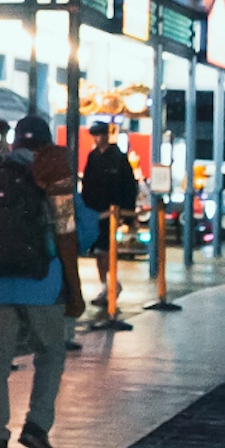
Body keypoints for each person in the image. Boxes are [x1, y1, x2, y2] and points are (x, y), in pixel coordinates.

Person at [0, 120, 97, 448]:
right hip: (43, 285)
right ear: (46, 144)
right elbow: (82, 232)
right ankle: (36, 425)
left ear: (15, 144)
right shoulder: (53, 174)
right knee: (51, 353)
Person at [79, 121, 138, 311]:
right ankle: (106, 285)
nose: (98, 138)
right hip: (96, 213)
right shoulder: (93, 157)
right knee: (98, 252)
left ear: (107, 135)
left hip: (112, 213)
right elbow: (87, 185)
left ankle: (111, 285)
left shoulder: (119, 158)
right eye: (95, 135)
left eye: (100, 134)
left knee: (105, 250)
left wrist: (126, 214)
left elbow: (129, 186)